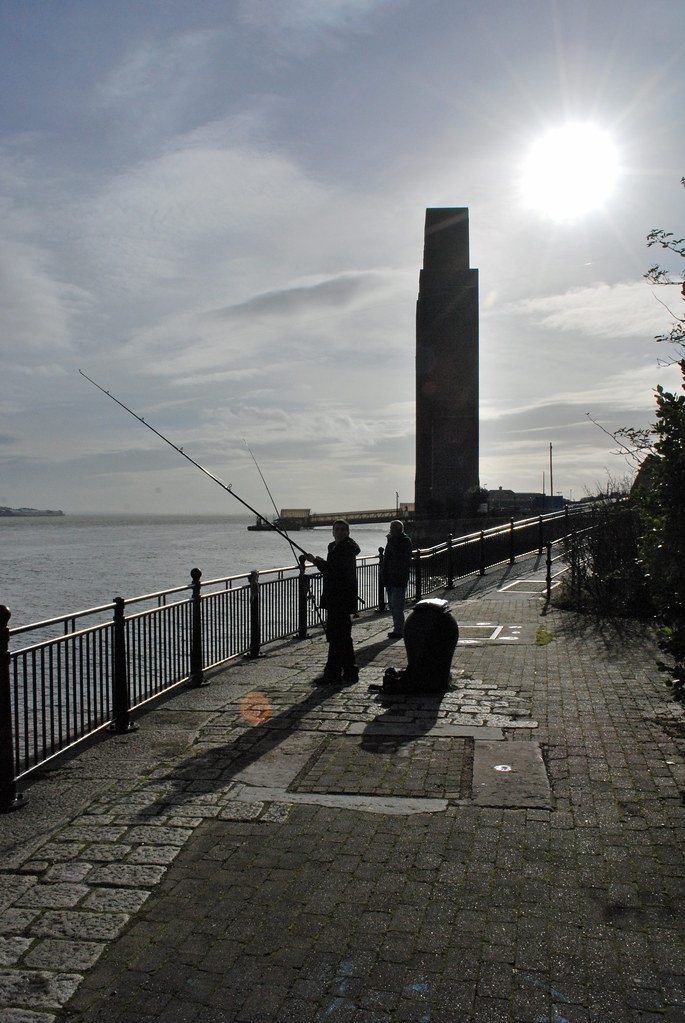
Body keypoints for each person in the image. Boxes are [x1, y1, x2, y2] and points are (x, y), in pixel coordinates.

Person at [305, 520, 360, 684]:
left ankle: (334, 673)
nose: (340, 532)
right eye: (337, 529)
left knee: (337, 636)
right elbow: (332, 567)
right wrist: (318, 560)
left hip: (340, 598)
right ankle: (349, 670)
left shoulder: (344, 549)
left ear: (348, 533)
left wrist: (315, 561)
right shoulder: (336, 548)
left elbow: (333, 570)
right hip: (338, 597)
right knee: (342, 636)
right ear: (333, 532)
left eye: (343, 529)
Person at [382, 519, 413, 638]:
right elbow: (386, 558)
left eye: (392, 529)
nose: (390, 531)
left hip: (399, 578)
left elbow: (398, 556)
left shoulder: (405, 541)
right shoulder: (392, 542)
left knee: (397, 605)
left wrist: (390, 542)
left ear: (399, 530)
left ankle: (399, 629)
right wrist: (383, 574)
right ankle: (398, 627)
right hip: (390, 578)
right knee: (392, 605)